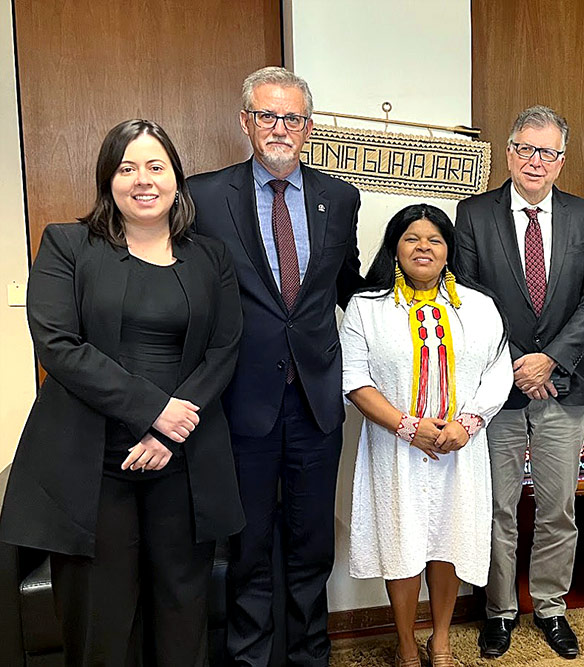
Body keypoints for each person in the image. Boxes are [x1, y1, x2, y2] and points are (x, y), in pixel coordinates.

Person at [0, 119, 244, 666]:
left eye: (156, 166)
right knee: (102, 622)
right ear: (107, 179)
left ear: (176, 179)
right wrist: (154, 410)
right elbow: (58, 345)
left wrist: (170, 430)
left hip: (183, 460)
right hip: (91, 464)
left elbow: (224, 349)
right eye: (126, 167)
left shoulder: (211, 257)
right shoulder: (67, 244)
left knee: (184, 614)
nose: (143, 179)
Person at [188, 66, 363, 666]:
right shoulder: (205, 195)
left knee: (313, 546)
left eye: (292, 118)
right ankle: (251, 660)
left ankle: (312, 658)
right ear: (246, 123)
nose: (280, 128)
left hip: (316, 401)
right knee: (249, 547)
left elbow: (349, 287)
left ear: (309, 128)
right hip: (242, 402)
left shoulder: (339, 198)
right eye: (268, 116)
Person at [455, 105, 584, 660]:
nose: (535, 161)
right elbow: (469, 295)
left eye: (548, 152)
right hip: (496, 390)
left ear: (562, 161)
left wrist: (552, 360)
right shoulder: (472, 215)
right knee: (496, 505)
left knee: (557, 506)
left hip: (563, 388)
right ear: (509, 152)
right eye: (526, 149)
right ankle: (498, 610)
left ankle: (550, 606)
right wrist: (520, 361)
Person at [340, 204, 512, 667]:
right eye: (412, 238)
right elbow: (355, 379)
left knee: (448, 539)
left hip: (460, 449)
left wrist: (468, 424)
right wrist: (409, 427)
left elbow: (498, 373)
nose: (423, 247)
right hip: (394, 448)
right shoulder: (367, 307)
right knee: (402, 541)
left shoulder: (479, 307)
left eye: (434, 239)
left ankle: (440, 641)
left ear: (449, 251)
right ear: (394, 248)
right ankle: (405, 643)